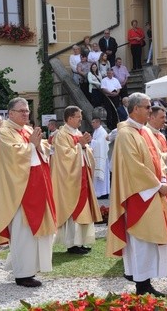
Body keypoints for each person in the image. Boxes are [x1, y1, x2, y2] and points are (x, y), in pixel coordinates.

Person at [106, 93, 167, 297]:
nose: (149, 110)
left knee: (150, 238)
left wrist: (162, 178)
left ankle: (145, 281)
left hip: (150, 192)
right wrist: (157, 185)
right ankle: (142, 284)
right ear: (135, 109)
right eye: (146, 107)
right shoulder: (127, 133)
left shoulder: (143, 131)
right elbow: (134, 167)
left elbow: (155, 159)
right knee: (141, 240)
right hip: (138, 194)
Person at [0, 97, 56, 288]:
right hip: (20, 190)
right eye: (21, 111)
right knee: (23, 232)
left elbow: (43, 149)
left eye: (27, 111)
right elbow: (13, 157)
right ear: (10, 113)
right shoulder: (4, 133)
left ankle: (30, 268)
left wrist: (41, 145)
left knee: (39, 232)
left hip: (37, 187)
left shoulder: (26, 130)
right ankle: (22, 274)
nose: (26, 114)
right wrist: (32, 145)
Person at [51, 106, 101, 255]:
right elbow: (63, 156)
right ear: (70, 118)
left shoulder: (77, 132)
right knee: (74, 209)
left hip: (82, 176)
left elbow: (86, 151)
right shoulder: (62, 135)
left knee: (84, 210)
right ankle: (72, 243)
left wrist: (85, 147)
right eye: (78, 117)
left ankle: (81, 241)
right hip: (71, 180)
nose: (81, 119)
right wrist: (80, 146)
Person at [146, 104, 167, 235]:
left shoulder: (160, 135)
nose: (164, 120)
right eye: (162, 117)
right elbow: (152, 157)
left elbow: (163, 152)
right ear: (152, 117)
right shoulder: (147, 134)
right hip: (158, 178)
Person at [90, 117, 110, 199]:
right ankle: (98, 192)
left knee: (103, 177)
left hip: (102, 159)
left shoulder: (102, 132)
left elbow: (100, 144)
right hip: (97, 157)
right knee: (97, 177)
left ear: (98, 123)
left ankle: (104, 193)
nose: (92, 124)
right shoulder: (96, 131)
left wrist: (91, 140)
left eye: (93, 122)